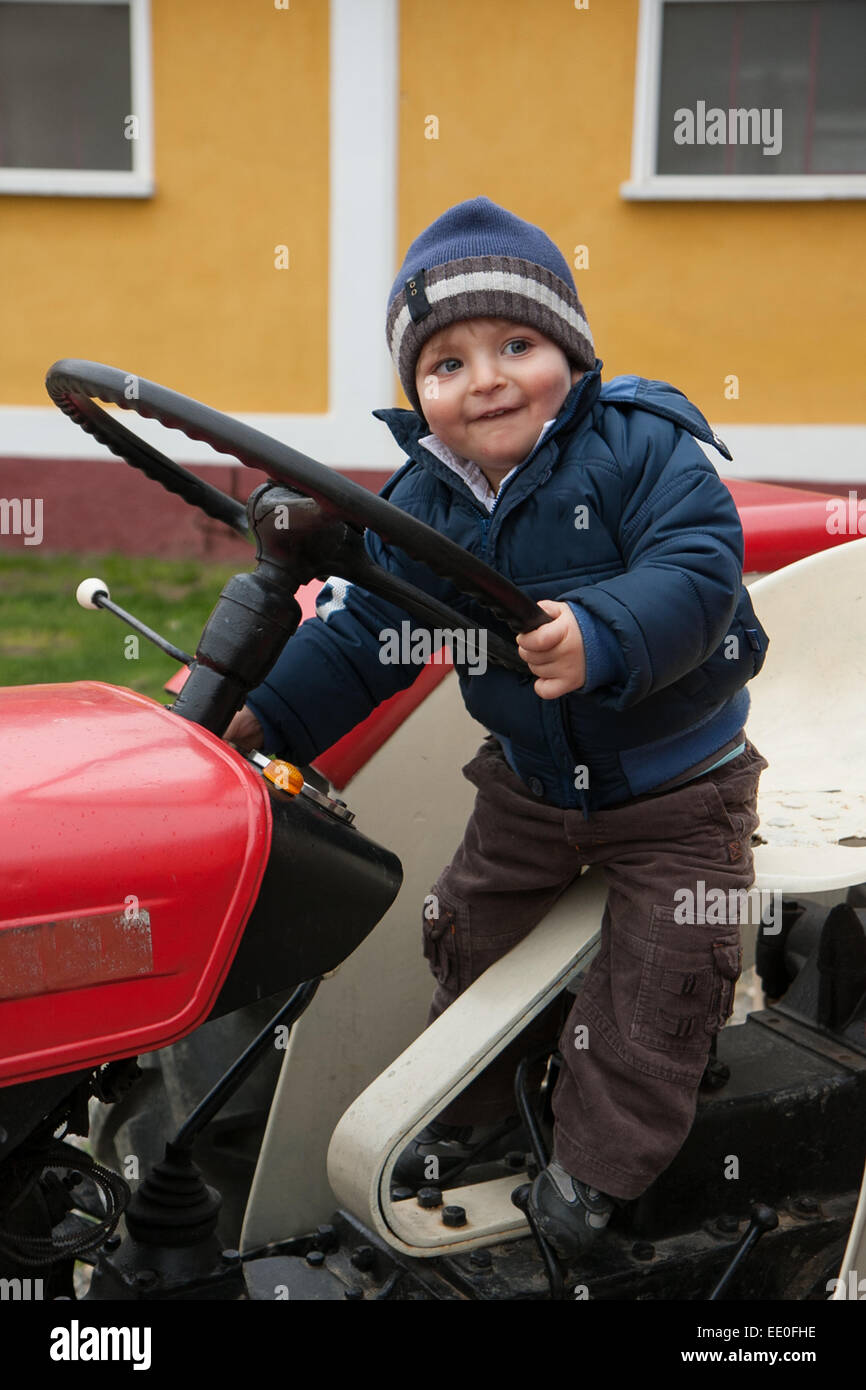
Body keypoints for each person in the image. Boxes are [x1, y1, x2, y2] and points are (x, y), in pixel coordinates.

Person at [225, 196, 769, 1258]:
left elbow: (697, 571)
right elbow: (367, 630)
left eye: (514, 344)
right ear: (417, 394)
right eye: (446, 362)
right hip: (526, 784)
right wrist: (269, 720)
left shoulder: (639, 448)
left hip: (676, 789)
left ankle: (596, 1181)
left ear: (569, 349)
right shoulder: (423, 502)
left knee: (658, 989)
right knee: (467, 934)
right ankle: (471, 1115)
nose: (484, 378)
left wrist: (602, 630)